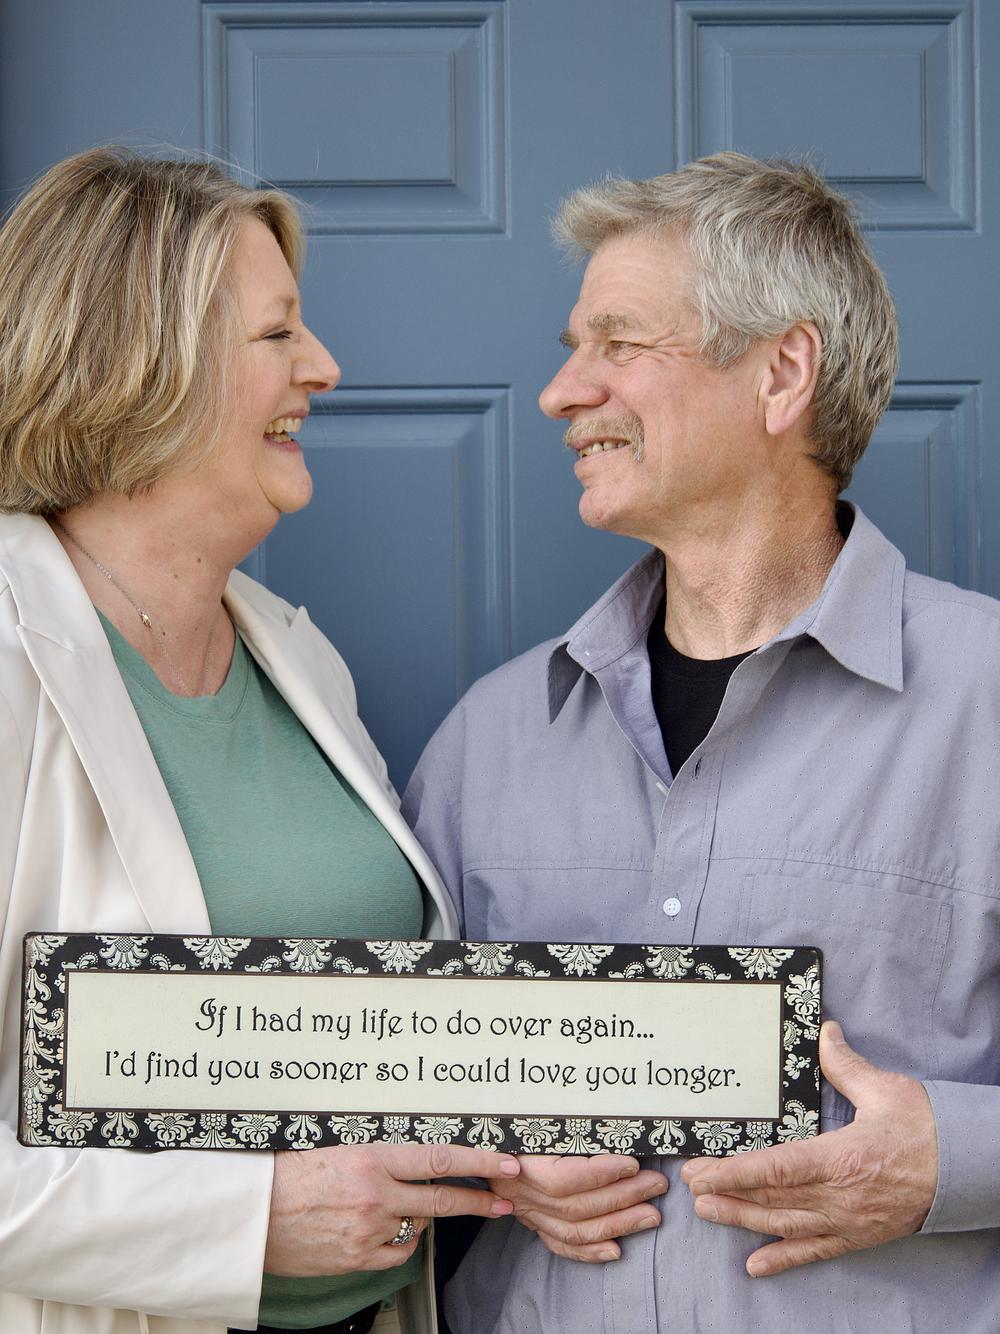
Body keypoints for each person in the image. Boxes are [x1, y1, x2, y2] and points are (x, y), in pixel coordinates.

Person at [402, 153, 1000, 1333]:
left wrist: (955, 1155)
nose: (560, 391)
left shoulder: (987, 701)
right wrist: (494, 1159)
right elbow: (386, 1078)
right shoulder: (490, 737)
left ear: (781, 373)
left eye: (618, 342)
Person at [0, 147, 525, 1334]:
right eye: (278, 333)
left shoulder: (296, 652)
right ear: (141, 364)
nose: (324, 366)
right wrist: (243, 1220)